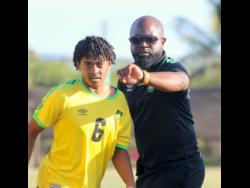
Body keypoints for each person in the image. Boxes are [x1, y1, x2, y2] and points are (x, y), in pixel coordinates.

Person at [28, 36, 135, 188]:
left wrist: (130, 183)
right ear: (77, 64)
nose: (94, 70)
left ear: (109, 64)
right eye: (88, 64)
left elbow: (118, 149)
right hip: (55, 182)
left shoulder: (119, 101)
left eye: (99, 64)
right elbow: (31, 131)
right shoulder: (62, 95)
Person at [117, 15, 205, 188]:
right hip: (149, 171)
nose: (143, 44)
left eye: (150, 39)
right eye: (136, 40)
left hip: (182, 168)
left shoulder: (171, 67)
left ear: (163, 41)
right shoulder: (127, 80)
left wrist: (146, 77)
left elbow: (181, 81)